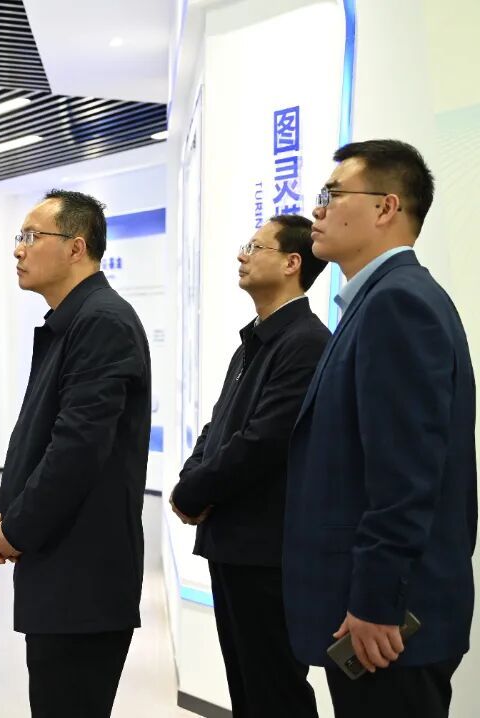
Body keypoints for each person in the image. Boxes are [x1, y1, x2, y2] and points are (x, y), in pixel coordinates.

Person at [284, 139, 477, 718]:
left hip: (384, 627)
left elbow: (405, 476)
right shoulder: (379, 301)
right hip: (375, 618)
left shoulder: (398, 304)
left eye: (332, 194)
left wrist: (375, 601)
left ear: (386, 207)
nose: (316, 210)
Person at [0, 189, 151, 718]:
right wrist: (11, 512)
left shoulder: (101, 321)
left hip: (84, 575)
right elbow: (43, 436)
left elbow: (76, 450)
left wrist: (17, 528)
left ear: (76, 247)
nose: (19, 249)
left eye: (32, 237)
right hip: (63, 566)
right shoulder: (72, 321)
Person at [171, 214, 328, 717]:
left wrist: (194, 492)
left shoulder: (305, 342)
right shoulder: (255, 340)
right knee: (246, 686)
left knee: (274, 689)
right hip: (233, 543)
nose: (242, 255)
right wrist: (189, 480)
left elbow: (262, 442)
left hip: (266, 552)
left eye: (255, 247)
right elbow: (218, 427)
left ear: (292, 262)